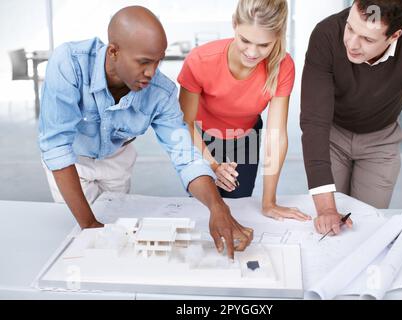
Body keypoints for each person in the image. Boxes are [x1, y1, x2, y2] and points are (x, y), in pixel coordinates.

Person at [38, 6, 253, 259]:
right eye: (143, 62)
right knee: (81, 241)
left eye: (158, 61)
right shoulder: (69, 64)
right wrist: (89, 225)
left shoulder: (161, 92)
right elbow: (56, 146)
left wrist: (218, 207)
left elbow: (185, 156)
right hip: (72, 162)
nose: (152, 72)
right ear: (114, 52)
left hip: (117, 159)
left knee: (116, 233)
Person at [300, 0, 402, 246]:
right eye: (350, 28)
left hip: (381, 141)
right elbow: (314, 120)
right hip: (331, 136)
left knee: (364, 231)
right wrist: (326, 209)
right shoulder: (326, 34)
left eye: (367, 39)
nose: (352, 43)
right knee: (330, 232)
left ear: (395, 36)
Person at [178, 0, 311, 222]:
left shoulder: (282, 66)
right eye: (245, 40)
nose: (251, 52)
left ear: (278, 36)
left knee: (239, 209)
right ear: (234, 24)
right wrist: (212, 164)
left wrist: (269, 203)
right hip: (199, 137)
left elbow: (275, 136)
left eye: (263, 45)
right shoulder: (200, 60)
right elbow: (186, 123)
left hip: (244, 139)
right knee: (203, 209)